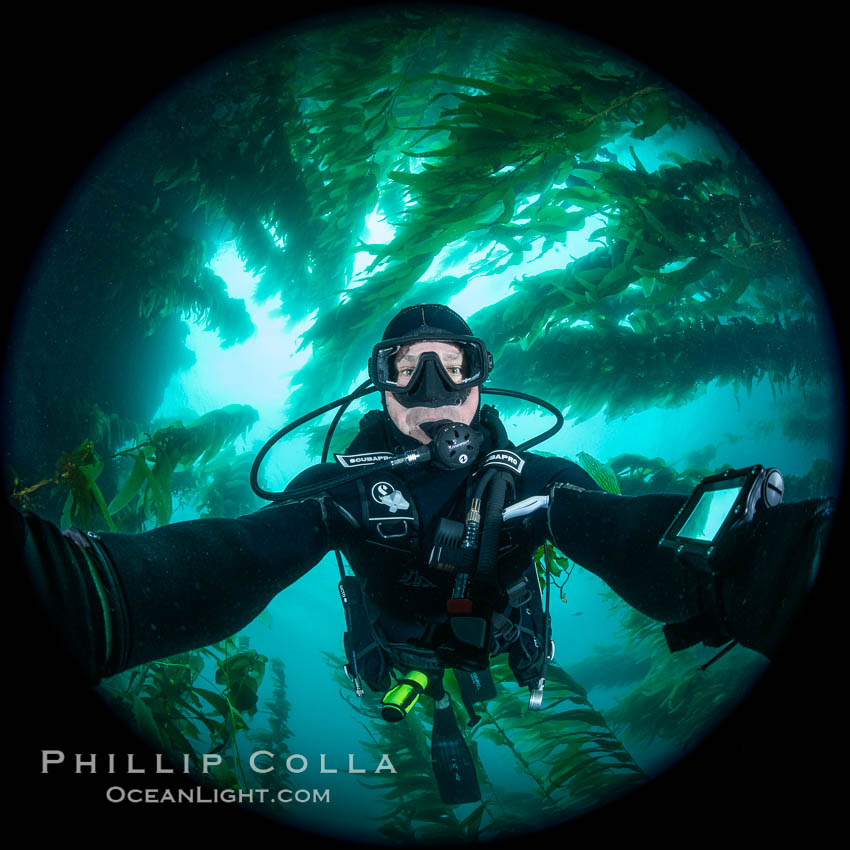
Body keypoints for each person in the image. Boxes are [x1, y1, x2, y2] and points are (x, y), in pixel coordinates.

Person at [11, 303, 835, 804]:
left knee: (504, 669)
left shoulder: (539, 478)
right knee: (422, 689)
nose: (436, 393)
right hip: (394, 643)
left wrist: (762, 563)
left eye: (454, 368)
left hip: (503, 628)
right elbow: (239, 558)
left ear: (483, 378)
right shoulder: (335, 486)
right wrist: (87, 594)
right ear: (377, 386)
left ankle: (478, 693)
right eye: (409, 371)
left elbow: (620, 532)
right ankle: (441, 708)